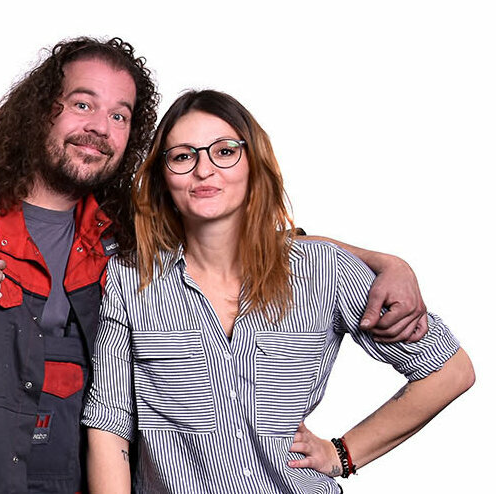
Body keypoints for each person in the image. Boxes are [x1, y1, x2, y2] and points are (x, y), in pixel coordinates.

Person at [0, 37, 432, 494]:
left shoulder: (121, 232)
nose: (100, 128)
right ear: (40, 112)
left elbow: (238, 231)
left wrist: (384, 262)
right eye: (83, 104)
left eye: (121, 115)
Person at [82, 90, 474, 493]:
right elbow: (110, 425)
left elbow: (450, 371)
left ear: (254, 163)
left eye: (224, 151)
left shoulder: (321, 270)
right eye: (183, 156)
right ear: (164, 178)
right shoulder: (131, 279)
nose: (204, 170)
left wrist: (344, 453)